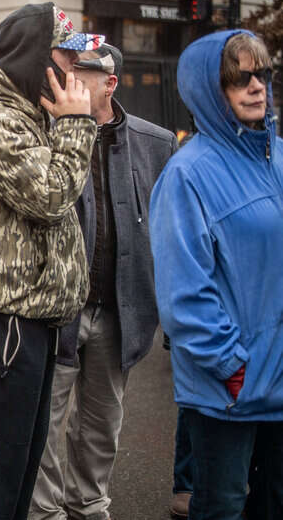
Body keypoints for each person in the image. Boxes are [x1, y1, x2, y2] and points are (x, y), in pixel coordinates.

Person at [0, 3, 101, 520]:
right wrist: (77, 123)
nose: (76, 72)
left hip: (30, 319)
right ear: (37, 57)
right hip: (3, 322)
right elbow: (54, 195)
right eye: (66, 56)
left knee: (20, 467)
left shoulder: (27, 114)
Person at [28, 43, 177, 520]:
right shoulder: (44, 134)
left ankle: (89, 504)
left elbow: (170, 230)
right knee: (45, 423)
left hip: (121, 307)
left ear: (110, 83)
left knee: (102, 423)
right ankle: (46, 512)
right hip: (58, 309)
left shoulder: (156, 144)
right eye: (66, 70)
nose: (68, 81)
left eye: (82, 74)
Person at [150, 29, 283, 520]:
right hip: (231, 391)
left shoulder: (281, 157)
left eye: (262, 74)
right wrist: (234, 370)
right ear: (209, 88)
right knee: (222, 507)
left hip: (279, 380)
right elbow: (184, 293)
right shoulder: (187, 175)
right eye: (238, 77)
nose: (256, 86)